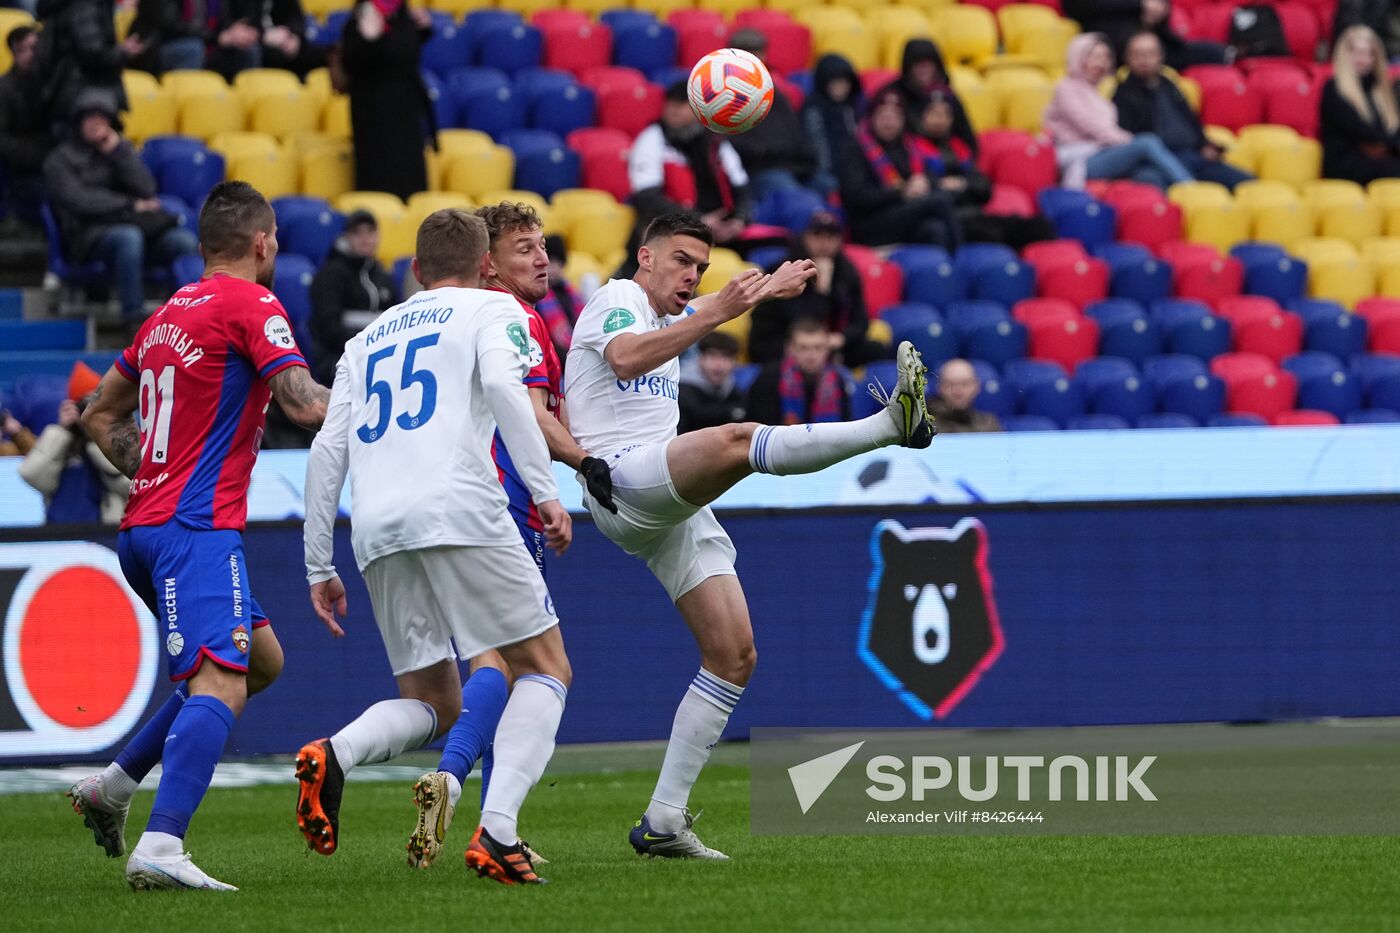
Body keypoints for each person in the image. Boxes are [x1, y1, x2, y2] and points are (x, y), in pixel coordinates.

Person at [563, 212, 934, 859]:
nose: (691, 276)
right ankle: (889, 426)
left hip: (658, 497)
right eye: (681, 260)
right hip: (618, 477)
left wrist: (767, 287)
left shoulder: (661, 314)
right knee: (738, 441)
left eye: (700, 267)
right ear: (644, 258)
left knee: (733, 654)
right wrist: (723, 310)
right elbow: (624, 359)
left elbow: (703, 309)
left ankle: (664, 820)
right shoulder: (616, 299)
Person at [67, 180, 330, 890]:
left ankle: (114, 785)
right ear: (263, 242)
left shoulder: (165, 316)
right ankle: (161, 842)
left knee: (260, 661)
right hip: (194, 527)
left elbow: (96, 412)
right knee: (223, 678)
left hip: (145, 529)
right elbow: (304, 403)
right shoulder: (253, 302)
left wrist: (149, 467)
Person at [299, 209, 573, 887]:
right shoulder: (488, 310)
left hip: (377, 524)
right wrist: (544, 491)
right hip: (460, 505)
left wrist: (317, 562)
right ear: (485, 264)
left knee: (434, 699)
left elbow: (327, 447)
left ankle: (334, 752)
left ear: (414, 269)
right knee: (545, 667)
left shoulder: (364, 340)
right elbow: (511, 392)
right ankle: (499, 832)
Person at [398, 201, 615, 871]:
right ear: (488, 262)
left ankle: (499, 820)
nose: (542, 258)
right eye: (524, 248)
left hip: (432, 509)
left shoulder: (448, 323)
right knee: (522, 667)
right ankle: (459, 780)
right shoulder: (512, 320)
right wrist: (581, 463)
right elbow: (528, 409)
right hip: (503, 507)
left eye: (544, 245)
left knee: (501, 667)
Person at [42, 89, 199, 325]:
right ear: (78, 121)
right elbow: (79, 201)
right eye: (90, 117)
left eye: (103, 117)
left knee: (182, 241)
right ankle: (134, 319)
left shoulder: (119, 151)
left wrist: (119, 154)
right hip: (89, 236)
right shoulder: (60, 159)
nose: (97, 123)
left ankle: (184, 318)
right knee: (129, 238)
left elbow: (147, 189)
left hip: (134, 228)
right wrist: (130, 205)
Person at [1043, 33, 1194, 190]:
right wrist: (1131, 142)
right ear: (1077, 57)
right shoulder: (1066, 88)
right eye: (1093, 56)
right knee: (1147, 143)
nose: (1100, 63)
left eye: (1105, 57)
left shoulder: (1096, 92)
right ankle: (1191, 188)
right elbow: (1095, 128)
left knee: (1148, 174)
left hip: (1102, 152)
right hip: (1079, 160)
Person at [627, 80, 751, 262]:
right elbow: (647, 198)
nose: (674, 109)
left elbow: (741, 186)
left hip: (724, 228)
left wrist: (740, 219)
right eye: (670, 103)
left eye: (682, 104)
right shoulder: (651, 139)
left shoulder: (714, 141)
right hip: (674, 228)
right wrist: (698, 220)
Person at [915, 94, 1057, 250]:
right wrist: (963, 188)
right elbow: (929, 193)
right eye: (934, 114)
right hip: (948, 221)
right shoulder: (913, 150)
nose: (940, 120)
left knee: (1038, 227)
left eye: (945, 114)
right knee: (990, 236)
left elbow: (984, 189)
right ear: (922, 117)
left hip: (976, 214)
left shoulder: (959, 148)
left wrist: (961, 185)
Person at [1113, 31, 1252, 190]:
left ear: (1160, 56)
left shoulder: (1170, 85)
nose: (1144, 60)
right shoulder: (1122, 94)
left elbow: (1190, 119)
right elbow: (1130, 140)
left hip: (1193, 155)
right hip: (1158, 161)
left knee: (1248, 183)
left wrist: (1204, 144)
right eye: (1137, 54)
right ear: (1126, 58)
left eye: (1150, 53)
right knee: (1148, 182)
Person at [748, 209, 888, 368]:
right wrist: (821, 290)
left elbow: (861, 320)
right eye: (817, 235)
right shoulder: (783, 269)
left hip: (826, 344)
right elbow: (799, 323)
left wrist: (840, 339)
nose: (824, 243)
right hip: (784, 344)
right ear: (805, 237)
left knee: (875, 349)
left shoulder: (846, 271)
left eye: (831, 237)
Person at [834, 87, 963, 249]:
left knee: (934, 230)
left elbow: (928, 179)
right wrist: (901, 192)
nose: (889, 122)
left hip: (901, 215)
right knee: (940, 200)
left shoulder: (909, 147)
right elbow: (857, 198)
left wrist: (925, 184)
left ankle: (943, 270)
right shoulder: (854, 148)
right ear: (872, 117)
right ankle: (961, 259)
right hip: (869, 223)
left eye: (895, 116)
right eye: (883, 116)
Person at [341, 0, 433, 200]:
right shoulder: (361, 17)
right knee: (378, 183)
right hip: (374, 115)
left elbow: (405, 55)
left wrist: (423, 31)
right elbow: (351, 62)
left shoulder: (404, 16)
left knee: (411, 183)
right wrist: (369, 39)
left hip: (406, 113)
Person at [18, 362, 130, 523]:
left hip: (105, 533)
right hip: (59, 535)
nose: (89, 411)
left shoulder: (119, 437)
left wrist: (96, 438)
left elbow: (131, 486)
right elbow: (32, 476)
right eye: (84, 405)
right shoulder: (59, 440)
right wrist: (60, 431)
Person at [724, 28, 816, 203]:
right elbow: (730, 144)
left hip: (789, 165)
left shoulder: (774, 92)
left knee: (826, 184)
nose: (755, 61)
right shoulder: (722, 95)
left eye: (759, 55)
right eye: (748, 55)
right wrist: (767, 151)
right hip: (758, 170)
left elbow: (795, 135)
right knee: (796, 198)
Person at [309, 208, 397, 385]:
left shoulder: (382, 274)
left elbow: (397, 317)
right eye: (358, 233)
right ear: (347, 237)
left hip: (378, 355)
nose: (365, 238)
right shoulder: (331, 274)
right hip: (338, 357)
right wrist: (367, 347)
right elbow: (328, 328)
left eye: (370, 232)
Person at [33, 0, 143, 123]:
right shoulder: (87, 4)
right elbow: (92, 52)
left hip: (71, 92)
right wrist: (123, 52)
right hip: (82, 96)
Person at [1319, 25, 1400, 185]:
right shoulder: (1334, 88)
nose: (1363, 59)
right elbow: (1359, 130)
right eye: (1357, 52)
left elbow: (1392, 128)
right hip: (1346, 163)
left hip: (1380, 160)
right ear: (1344, 55)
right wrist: (1394, 145)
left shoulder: (1381, 91)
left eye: (1369, 53)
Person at [878, 38, 977, 158]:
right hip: (903, 163)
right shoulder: (891, 94)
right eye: (917, 63)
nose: (923, 69)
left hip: (946, 162)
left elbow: (968, 141)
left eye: (929, 63)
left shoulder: (948, 95)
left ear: (937, 66)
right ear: (908, 67)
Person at [747, 317, 853, 426]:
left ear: (827, 349)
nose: (811, 355)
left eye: (818, 347)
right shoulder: (768, 378)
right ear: (789, 349)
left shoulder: (838, 379)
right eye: (803, 348)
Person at [0, 25, 53, 217]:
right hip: (23, 171)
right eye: (22, 50)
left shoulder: (55, 83)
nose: (30, 55)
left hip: (57, 165)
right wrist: (37, 153)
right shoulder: (5, 89)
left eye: (34, 48)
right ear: (13, 53)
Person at [800, 53, 861, 197]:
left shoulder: (851, 108)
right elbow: (818, 148)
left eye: (844, 82)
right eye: (835, 82)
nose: (840, 87)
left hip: (852, 170)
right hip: (822, 172)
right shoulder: (813, 109)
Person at [678, 332, 746, 434]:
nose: (719, 364)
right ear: (700, 358)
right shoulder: (680, 392)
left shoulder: (735, 392)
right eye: (713, 356)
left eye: (726, 357)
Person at [533, 233, 584, 360]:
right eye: (550, 263)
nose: (554, 269)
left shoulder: (570, 292)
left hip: (572, 354)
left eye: (558, 263)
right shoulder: (535, 295)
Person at [930, 358, 1002, 433]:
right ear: (940, 387)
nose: (958, 391)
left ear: (976, 386)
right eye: (950, 384)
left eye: (965, 384)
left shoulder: (989, 425)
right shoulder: (928, 428)